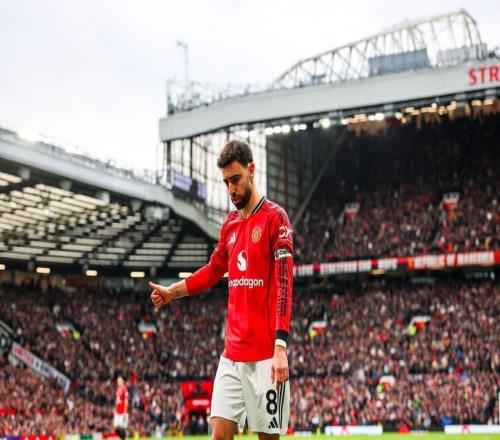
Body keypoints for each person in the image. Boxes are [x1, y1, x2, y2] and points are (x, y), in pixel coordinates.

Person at [150, 140, 294, 440]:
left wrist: (280, 346)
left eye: (236, 179)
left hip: (266, 357)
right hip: (232, 356)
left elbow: (284, 283)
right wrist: (173, 291)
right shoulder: (229, 225)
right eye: (226, 182)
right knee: (218, 436)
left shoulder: (275, 218)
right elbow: (212, 271)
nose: (231, 189)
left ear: (251, 170)